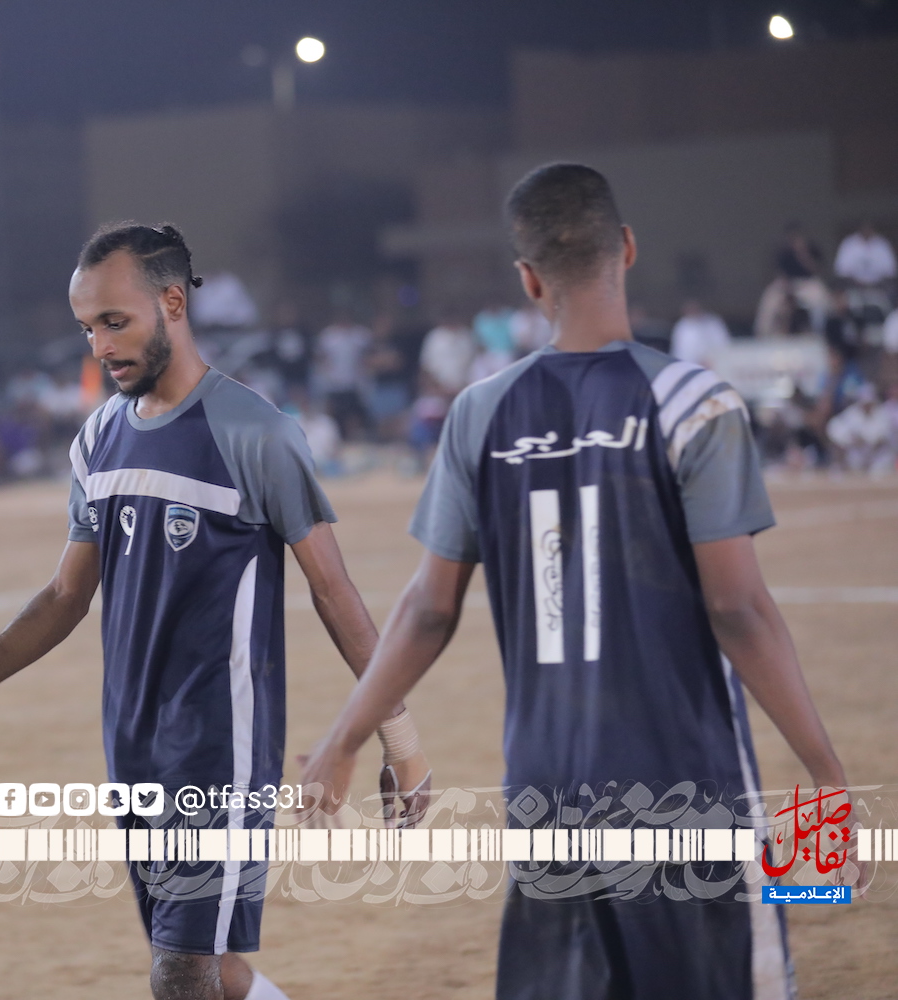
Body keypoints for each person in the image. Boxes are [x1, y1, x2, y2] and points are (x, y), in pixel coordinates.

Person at [301, 164, 869, 1000]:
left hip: (546, 790)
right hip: (681, 782)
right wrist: (827, 777)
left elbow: (426, 610)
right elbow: (739, 609)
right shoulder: (695, 403)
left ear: (529, 280)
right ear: (627, 248)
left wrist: (343, 740)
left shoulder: (480, 412)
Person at [0, 223, 431, 1000]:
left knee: (179, 973)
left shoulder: (255, 432)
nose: (100, 346)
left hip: (219, 747)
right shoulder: (99, 440)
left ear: (173, 304)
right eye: (87, 328)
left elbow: (333, 591)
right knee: (212, 965)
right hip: (132, 747)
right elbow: (66, 595)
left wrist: (400, 740)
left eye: (115, 322)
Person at [314, 308, 373, 440]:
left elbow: (369, 356)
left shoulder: (361, 335)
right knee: (335, 418)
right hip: (334, 385)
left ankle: (353, 441)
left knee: (354, 418)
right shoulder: (328, 336)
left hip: (354, 385)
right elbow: (320, 358)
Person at [670, 299, 732, 369]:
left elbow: (722, 342)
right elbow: (679, 349)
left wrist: (712, 358)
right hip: (689, 365)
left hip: (713, 363)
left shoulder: (712, 322)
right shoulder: (682, 326)